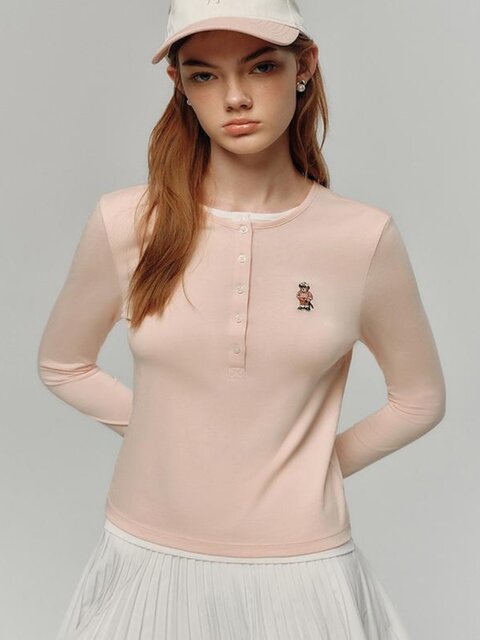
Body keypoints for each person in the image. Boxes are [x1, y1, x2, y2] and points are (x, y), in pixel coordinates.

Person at [37, 0, 446, 638]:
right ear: (179, 85)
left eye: (260, 67)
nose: (234, 98)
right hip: (146, 559)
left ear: (304, 66)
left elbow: (420, 399)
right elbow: (62, 364)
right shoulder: (126, 223)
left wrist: (312, 470)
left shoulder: (362, 238)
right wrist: (165, 442)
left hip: (302, 572)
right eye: (204, 74)